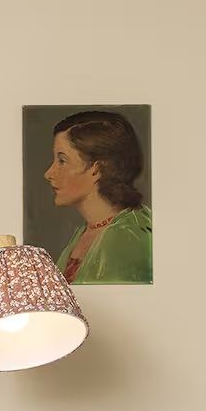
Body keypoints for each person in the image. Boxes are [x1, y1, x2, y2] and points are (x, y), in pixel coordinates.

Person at [44, 110, 152, 284]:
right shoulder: (84, 233)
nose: (48, 173)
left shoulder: (129, 237)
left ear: (96, 169)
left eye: (62, 161)